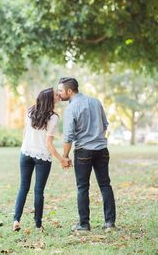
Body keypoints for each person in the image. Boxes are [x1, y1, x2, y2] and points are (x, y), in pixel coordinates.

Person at [58, 77, 116, 232]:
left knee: (82, 187)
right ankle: (109, 224)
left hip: (84, 151)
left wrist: (65, 156)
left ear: (69, 91)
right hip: (102, 150)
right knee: (105, 185)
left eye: (60, 91)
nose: (59, 94)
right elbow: (105, 125)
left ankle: (84, 224)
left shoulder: (71, 108)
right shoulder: (96, 101)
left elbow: (68, 136)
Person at [13, 87, 70, 232]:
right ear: (50, 100)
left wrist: (27, 146)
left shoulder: (30, 111)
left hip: (25, 153)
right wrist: (61, 160)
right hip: (42, 157)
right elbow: (48, 144)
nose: (58, 96)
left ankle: (16, 220)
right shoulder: (54, 117)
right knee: (38, 191)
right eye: (55, 95)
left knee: (23, 187)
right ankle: (38, 225)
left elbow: (25, 133)